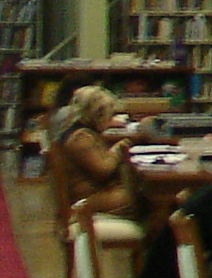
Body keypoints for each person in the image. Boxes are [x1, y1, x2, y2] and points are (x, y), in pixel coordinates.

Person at [48, 86, 144, 222]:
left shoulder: (81, 132)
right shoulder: (81, 138)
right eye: (109, 115)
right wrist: (118, 149)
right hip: (86, 200)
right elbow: (104, 169)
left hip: (94, 193)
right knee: (142, 197)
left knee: (141, 193)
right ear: (98, 115)